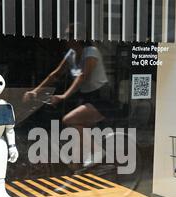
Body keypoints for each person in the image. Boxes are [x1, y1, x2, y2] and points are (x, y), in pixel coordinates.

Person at [23, 25, 116, 168]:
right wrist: (35, 91)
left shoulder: (91, 52)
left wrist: (64, 96)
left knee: (69, 120)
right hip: (87, 98)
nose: (65, 39)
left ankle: (97, 152)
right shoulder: (71, 54)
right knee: (76, 138)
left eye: (68, 35)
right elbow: (55, 74)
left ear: (77, 38)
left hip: (102, 98)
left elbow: (82, 76)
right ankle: (80, 172)